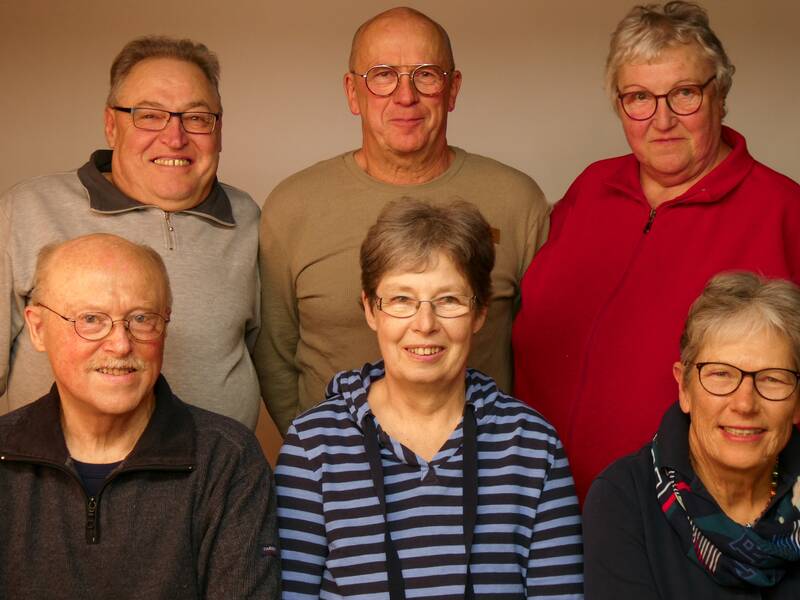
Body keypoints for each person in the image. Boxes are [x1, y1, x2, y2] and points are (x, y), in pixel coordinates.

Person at [512, 0, 800, 501]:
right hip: (543, 509)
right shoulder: (590, 189)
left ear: (720, 94)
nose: (662, 119)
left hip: (687, 524)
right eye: (639, 97)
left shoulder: (782, 209)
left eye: (684, 93)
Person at [257, 6, 549, 435]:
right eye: (382, 74)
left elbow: (541, 350)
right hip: (341, 473)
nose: (405, 95)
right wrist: (320, 452)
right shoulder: (292, 206)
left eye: (426, 74)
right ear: (352, 92)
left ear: (453, 90)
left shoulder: (517, 201)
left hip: (484, 467)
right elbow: (274, 353)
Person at [276, 199, 582, 599]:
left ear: (480, 313)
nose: (424, 325)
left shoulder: (532, 444)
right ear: (371, 310)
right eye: (402, 299)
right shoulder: (313, 444)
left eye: (449, 300)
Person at [0, 36, 262, 428]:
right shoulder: (29, 208)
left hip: (216, 480)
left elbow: (269, 356)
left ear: (219, 129)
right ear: (111, 124)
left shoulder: (248, 219)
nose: (175, 138)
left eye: (196, 118)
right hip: (56, 477)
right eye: (150, 115)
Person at [0, 234, 279, 598]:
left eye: (142, 318)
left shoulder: (228, 460)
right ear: (38, 328)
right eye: (91, 319)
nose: (120, 344)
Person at [583, 272, 800, 598]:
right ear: (684, 387)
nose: (744, 403)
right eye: (721, 374)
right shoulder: (623, 499)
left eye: (772, 379)